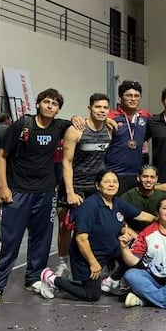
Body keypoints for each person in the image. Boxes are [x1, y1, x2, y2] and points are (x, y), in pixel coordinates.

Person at [0, 89, 74, 306]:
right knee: (10, 239)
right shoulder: (21, 125)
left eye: (54, 104)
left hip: (45, 192)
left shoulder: (59, 126)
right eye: (46, 102)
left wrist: (78, 118)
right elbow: (1, 156)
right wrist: (3, 187)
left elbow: (78, 123)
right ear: (38, 104)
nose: (50, 106)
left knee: (42, 239)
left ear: (58, 109)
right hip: (18, 191)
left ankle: (34, 278)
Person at [38, 170, 155, 302]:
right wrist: (93, 263)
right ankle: (51, 279)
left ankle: (111, 281)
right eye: (107, 182)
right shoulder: (89, 206)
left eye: (115, 181)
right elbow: (81, 239)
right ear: (98, 186)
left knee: (136, 252)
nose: (112, 185)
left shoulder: (117, 202)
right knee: (92, 295)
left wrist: (162, 220)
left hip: (110, 249)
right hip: (88, 255)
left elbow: (141, 215)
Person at [56, 93, 112, 278]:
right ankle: (62, 264)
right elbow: (66, 162)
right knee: (66, 226)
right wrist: (70, 192)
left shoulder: (109, 128)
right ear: (90, 108)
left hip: (95, 188)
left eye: (105, 107)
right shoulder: (76, 130)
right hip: (74, 186)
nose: (101, 110)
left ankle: (91, 263)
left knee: (93, 227)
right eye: (98, 107)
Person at [106, 80, 151, 195]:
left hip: (137, 174)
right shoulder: (110, 117)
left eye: (136, 96)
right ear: (120, 97)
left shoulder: (145, 116)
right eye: (129, 95)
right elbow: (91, 123)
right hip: (114, 173)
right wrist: (76, 118)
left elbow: (165, 119)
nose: (133, 99)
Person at [120, 164, 166, 232]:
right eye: (145, 176)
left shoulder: (163, 197)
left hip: (157, 234)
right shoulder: (127, 197)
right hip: (134, 234)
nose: (149, 180)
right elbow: (120, 219)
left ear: (156, 179)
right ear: (138, 178)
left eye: (152, 177)